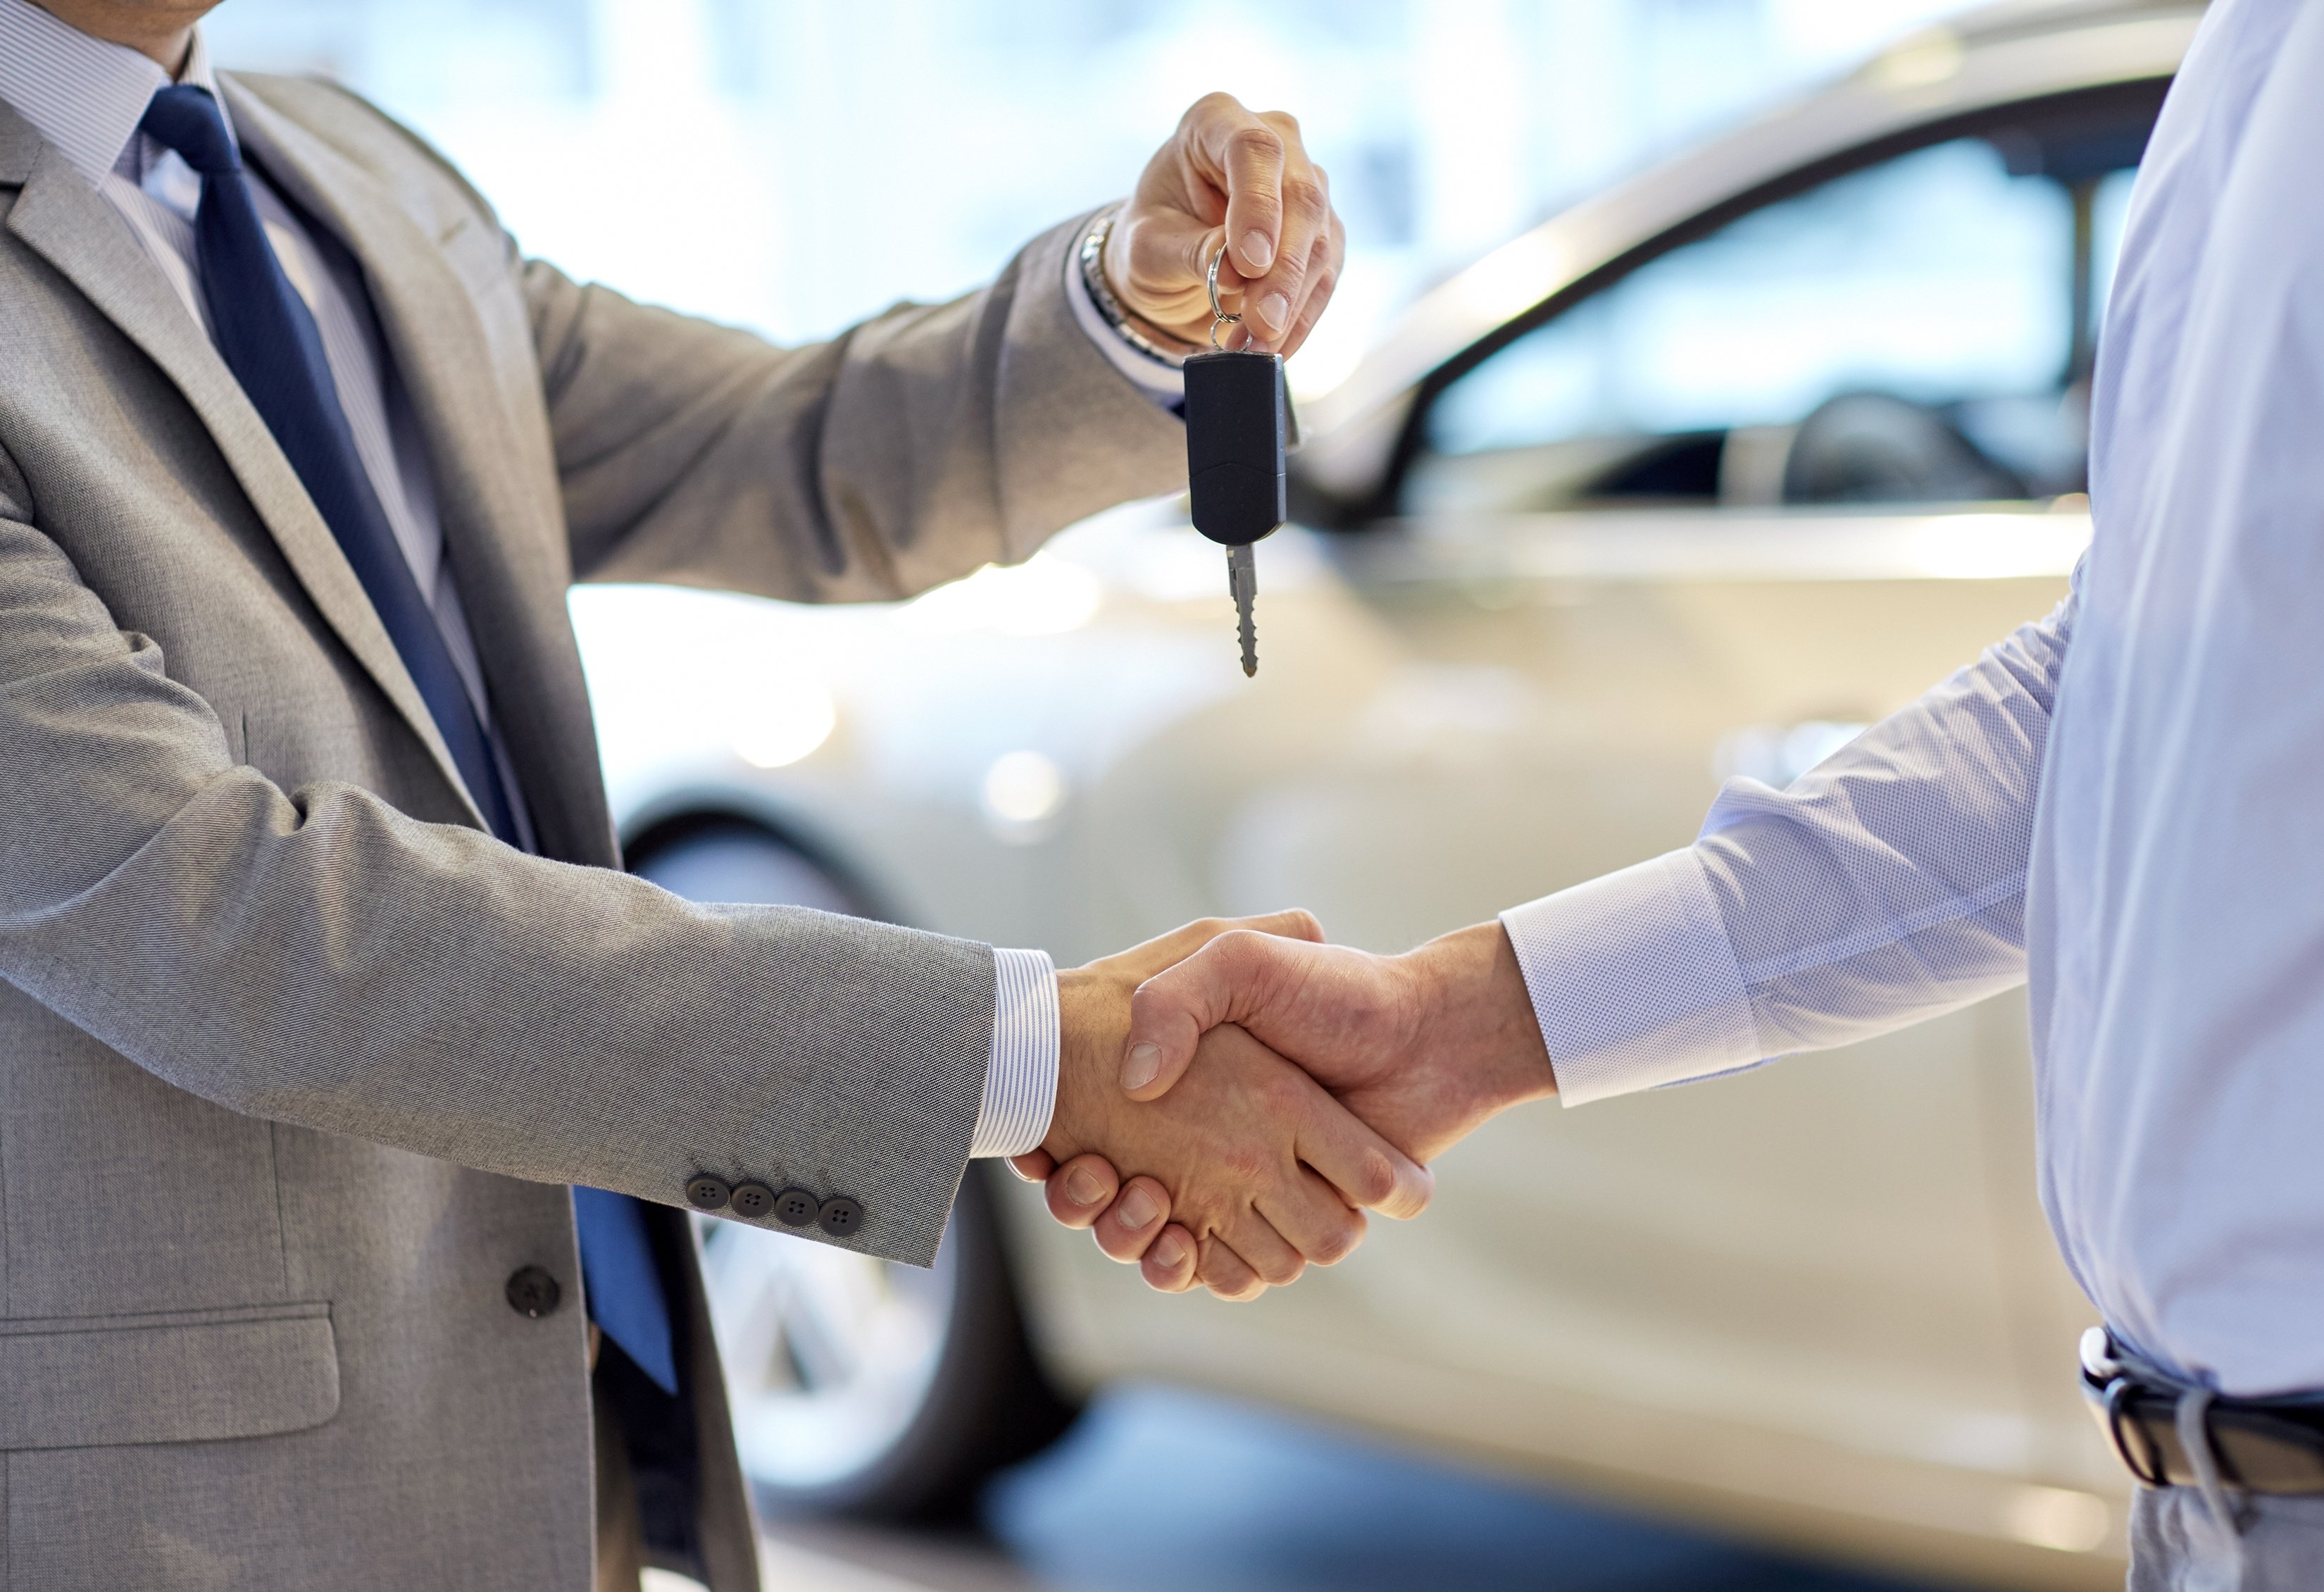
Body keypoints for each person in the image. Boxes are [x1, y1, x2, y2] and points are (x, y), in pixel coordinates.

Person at [1032, 0, 2324, 1583]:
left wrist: (1015, 1064)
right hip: (2230, 1496)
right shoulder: (2260, 51)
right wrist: (1454, 1023)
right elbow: (2131, 693)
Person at [0, 0, 1430, 1586]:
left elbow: (783, 447)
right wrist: (1027, 1053)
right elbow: (235, 922)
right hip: (190, 1515)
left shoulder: (346, 169)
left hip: (553, 1422)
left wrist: (1121, 305)